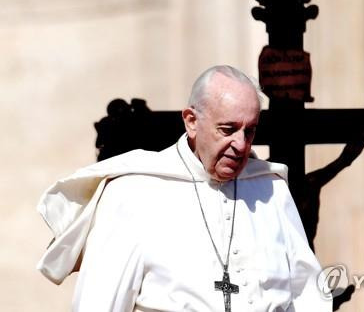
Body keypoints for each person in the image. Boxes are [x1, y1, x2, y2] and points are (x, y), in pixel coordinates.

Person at [37, 65, 332, 311]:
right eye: (227, 130)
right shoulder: (133, 194)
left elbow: (308, 295)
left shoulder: (271, 190)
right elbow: (99, 304)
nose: (241, 145)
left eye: (250, 130)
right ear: (191, 121)